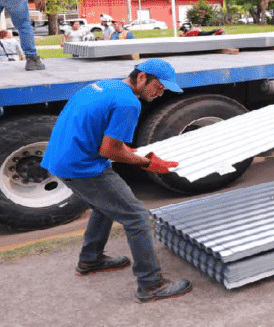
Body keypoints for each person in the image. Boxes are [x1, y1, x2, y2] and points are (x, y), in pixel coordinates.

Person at [40, 59, 192, 303]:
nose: (160, 93)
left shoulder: (103, 86)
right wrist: (147, 163)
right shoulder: (128, 103)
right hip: (83, 167)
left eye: (164, 90)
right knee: (137, 217)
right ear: (142, 77)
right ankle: (150, 284)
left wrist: (140, 155)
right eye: (159, 87)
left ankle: (91, 259)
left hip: (62, 159)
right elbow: (110, 150)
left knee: (105, 207)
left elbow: (105, 137)